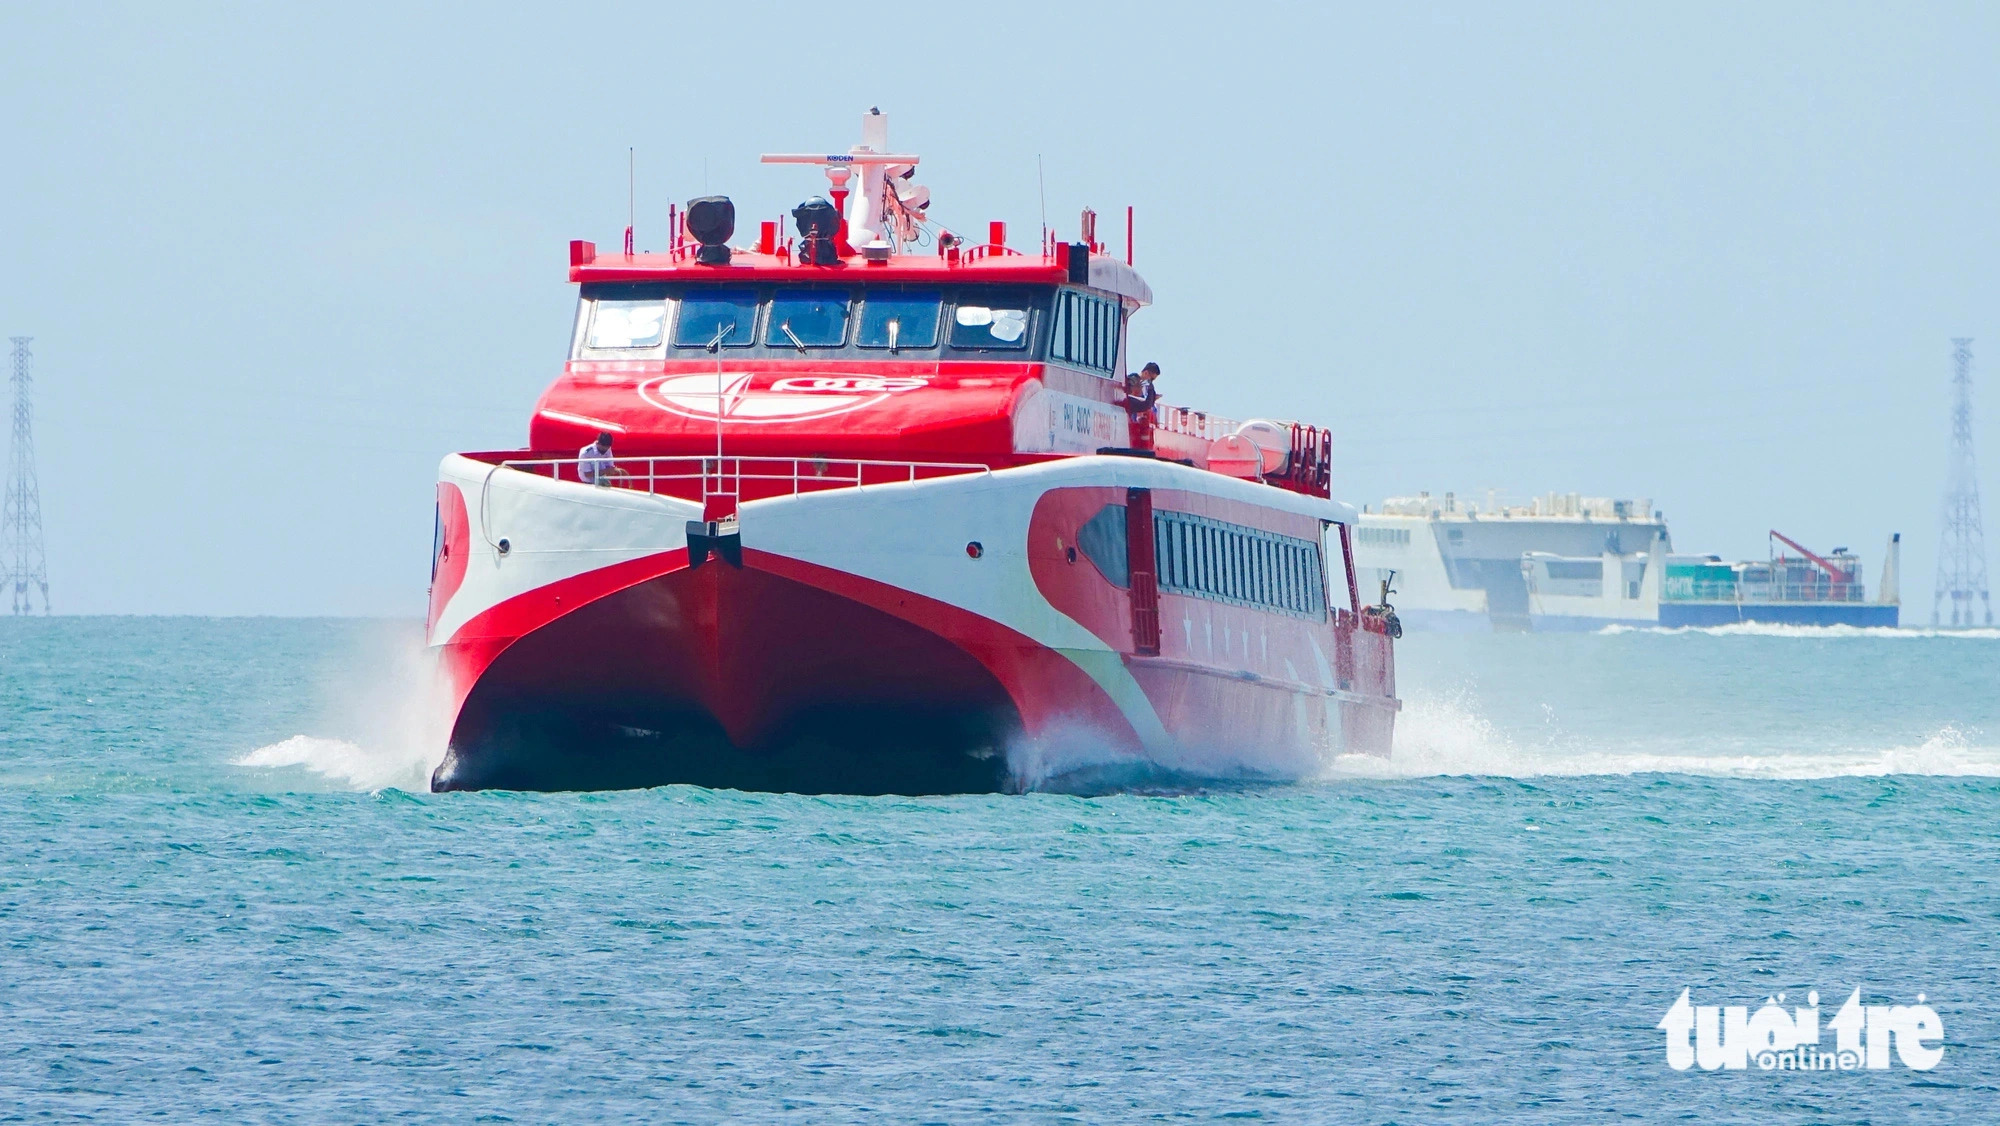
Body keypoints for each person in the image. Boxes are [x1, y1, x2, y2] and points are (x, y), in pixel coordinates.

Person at [1123, 362, 1161, 451]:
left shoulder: (1141, 384)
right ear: (1146, 373)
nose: (1151, 382)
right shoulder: (1133, 380)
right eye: (1151, 379)